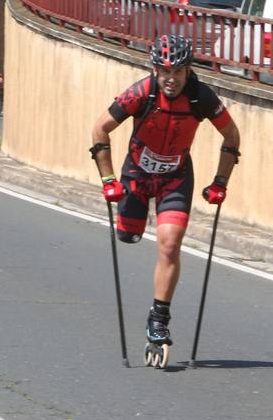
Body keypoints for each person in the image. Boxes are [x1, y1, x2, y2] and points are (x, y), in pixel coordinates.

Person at [90, 34, 241, 367]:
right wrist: (108, 180)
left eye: (178, 72)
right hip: (136, 175)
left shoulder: (202, 98)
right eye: (164, 72)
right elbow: (100, 128)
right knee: (128, 235)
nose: (170, 79)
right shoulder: (141, 93)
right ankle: (131, 220)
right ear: (155, 69)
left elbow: (231, 135)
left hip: (175, 177)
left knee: (170, 244)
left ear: (188, 71)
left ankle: (158, 319)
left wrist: (220, 182)